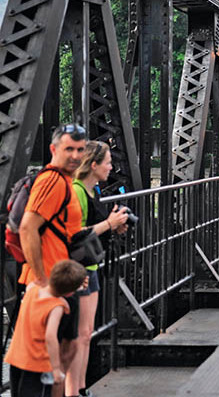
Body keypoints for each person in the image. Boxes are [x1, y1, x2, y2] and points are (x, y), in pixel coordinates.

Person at [18, 123, 87, 397]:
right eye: (68, 149)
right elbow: (27, 227)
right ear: (53, 149)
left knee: (62, 352)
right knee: (48, 362)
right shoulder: (51, 181)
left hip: (62, 282)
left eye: (80, 150)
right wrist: (42, 280)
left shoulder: (66, 181)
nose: (75, 155)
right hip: (49, 286)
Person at [67, 141, 128, 397]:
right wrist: (108, 223)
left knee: (85, 334)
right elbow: (73, 234)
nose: (111, 167)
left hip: (91, 266)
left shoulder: (94, 191)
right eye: (107, 163)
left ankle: (80, 389)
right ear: (93, 165)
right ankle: (73, 391)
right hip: (78, 270)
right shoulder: (78, 190)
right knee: (77, 336)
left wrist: (115, 225)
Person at [4, 260, 87, 397]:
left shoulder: (32, 290)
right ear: (69, 293)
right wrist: (55, 369)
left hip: (16, 358)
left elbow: (38, 282)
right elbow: (50, 336)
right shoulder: (57, 306)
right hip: (37, 363)